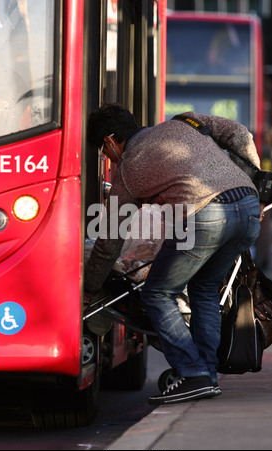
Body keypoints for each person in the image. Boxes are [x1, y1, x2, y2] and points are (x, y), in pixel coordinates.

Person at [85, 103, 261, 405]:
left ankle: (192, 373)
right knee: (204, 288)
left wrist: (89, 287)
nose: (107, 158)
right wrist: (250, 175)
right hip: (248, 207)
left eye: (104, 151)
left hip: (205, 216)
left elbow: (109, 241)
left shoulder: (128, 168)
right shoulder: (184, 122)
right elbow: (239, 133)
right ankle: (205, 376)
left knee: (158, 293)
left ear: (110, 141)